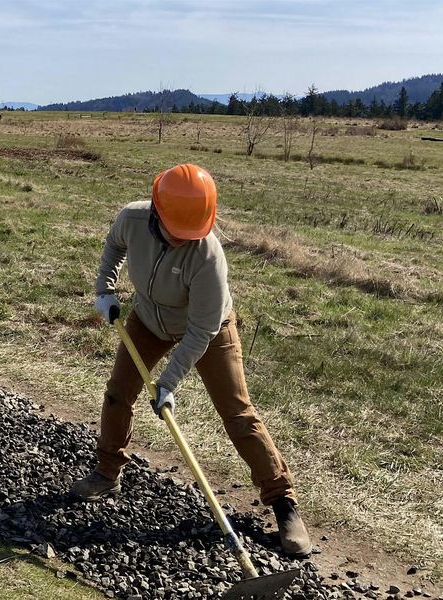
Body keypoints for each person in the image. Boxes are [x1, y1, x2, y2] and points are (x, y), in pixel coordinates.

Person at [70, 164, 312, 557]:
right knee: (118, 393)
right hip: (148, 318)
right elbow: (114, 246)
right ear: (157, 212)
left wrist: (168, 382)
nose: (183, 241)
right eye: (175, 232)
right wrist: (105, 290)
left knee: (237, 411)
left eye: (191, 235)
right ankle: (107, 472)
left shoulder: (208, 256)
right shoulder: (132, 217)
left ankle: (284, 502)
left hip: (207, 329)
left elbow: (201, 331)